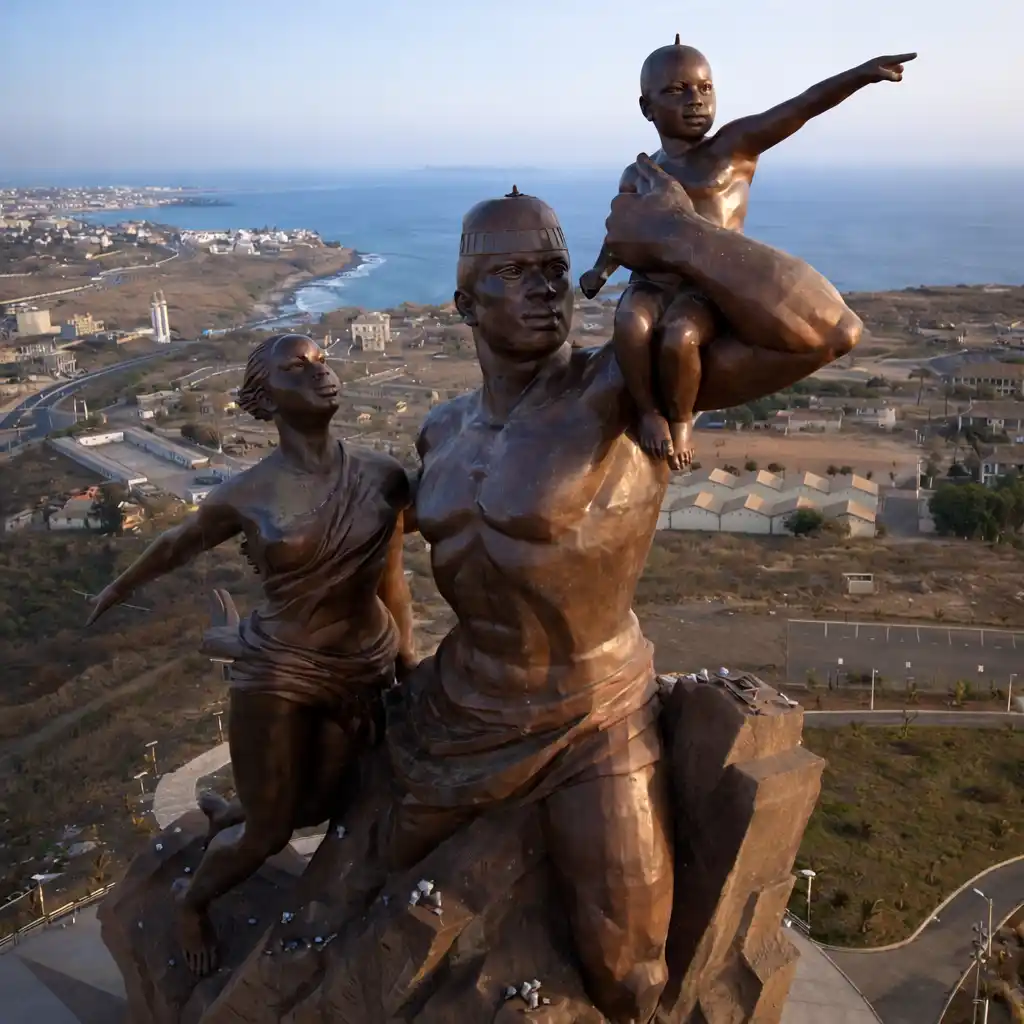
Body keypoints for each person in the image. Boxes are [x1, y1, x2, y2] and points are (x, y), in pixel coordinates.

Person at [386, 167, 862, 1023]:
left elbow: (827, 330)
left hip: (592, 720)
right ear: (464, 306)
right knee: (358, 896)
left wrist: (676, 234)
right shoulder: (442, 430)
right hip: (455, 710)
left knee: (629, 974)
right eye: (513, 274)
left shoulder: (624, 392)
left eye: (555, 273)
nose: (545, 293)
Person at [86, 333, 415, 976]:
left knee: (325, 803)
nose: (321, 372)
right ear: (265, 399)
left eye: (323, 359)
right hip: (279, 674)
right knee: (270, 833)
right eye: (299, 366)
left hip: (364, 661)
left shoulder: (383, 474)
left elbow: (393, 580)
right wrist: (121, 586)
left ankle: (228, 813)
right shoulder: (246, 492)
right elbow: (181, 543)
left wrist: (407, 660)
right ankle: (191, 900)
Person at [580, 38, 915, 469]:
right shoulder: (642, 171)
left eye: (705, 88)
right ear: (647, 108)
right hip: (650, 280)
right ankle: (648, 412)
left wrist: (859, 75)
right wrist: (600, 272)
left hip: (706, 287)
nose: (695, 100)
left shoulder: (731, 147)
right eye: (676, 90)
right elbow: (623, 230)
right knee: (629, 323)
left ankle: (681, 420)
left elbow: (798, 108)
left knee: (680, 336)